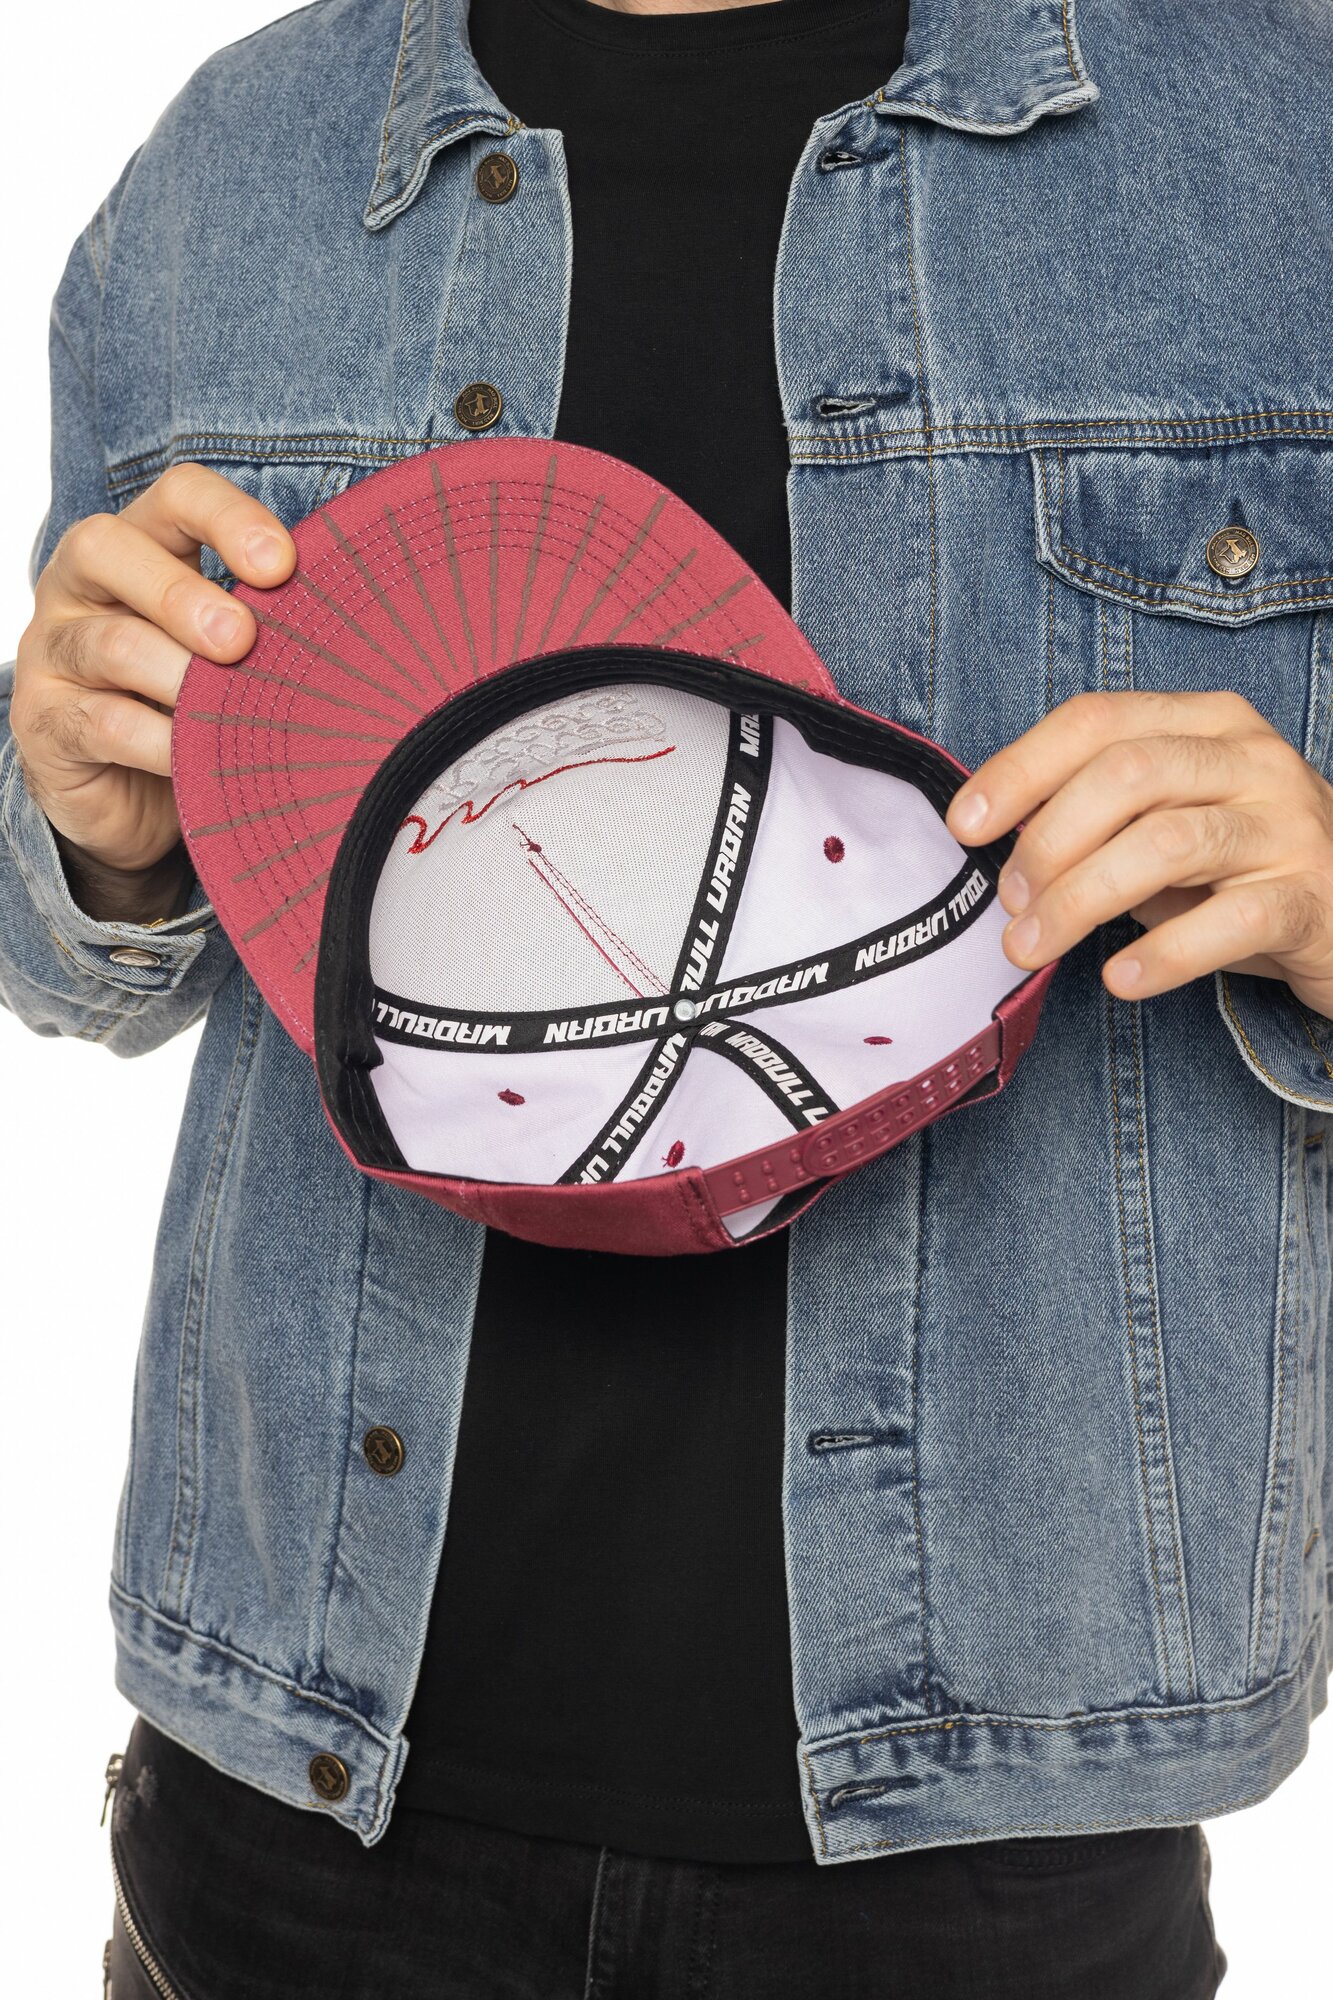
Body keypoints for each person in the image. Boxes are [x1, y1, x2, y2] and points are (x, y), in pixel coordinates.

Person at [5, 0, 1332, 1992]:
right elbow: (79, 969)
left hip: (990, 1854)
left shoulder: (1279, 137)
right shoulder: (234, 163)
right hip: (292, 1803)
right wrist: (91, 839)